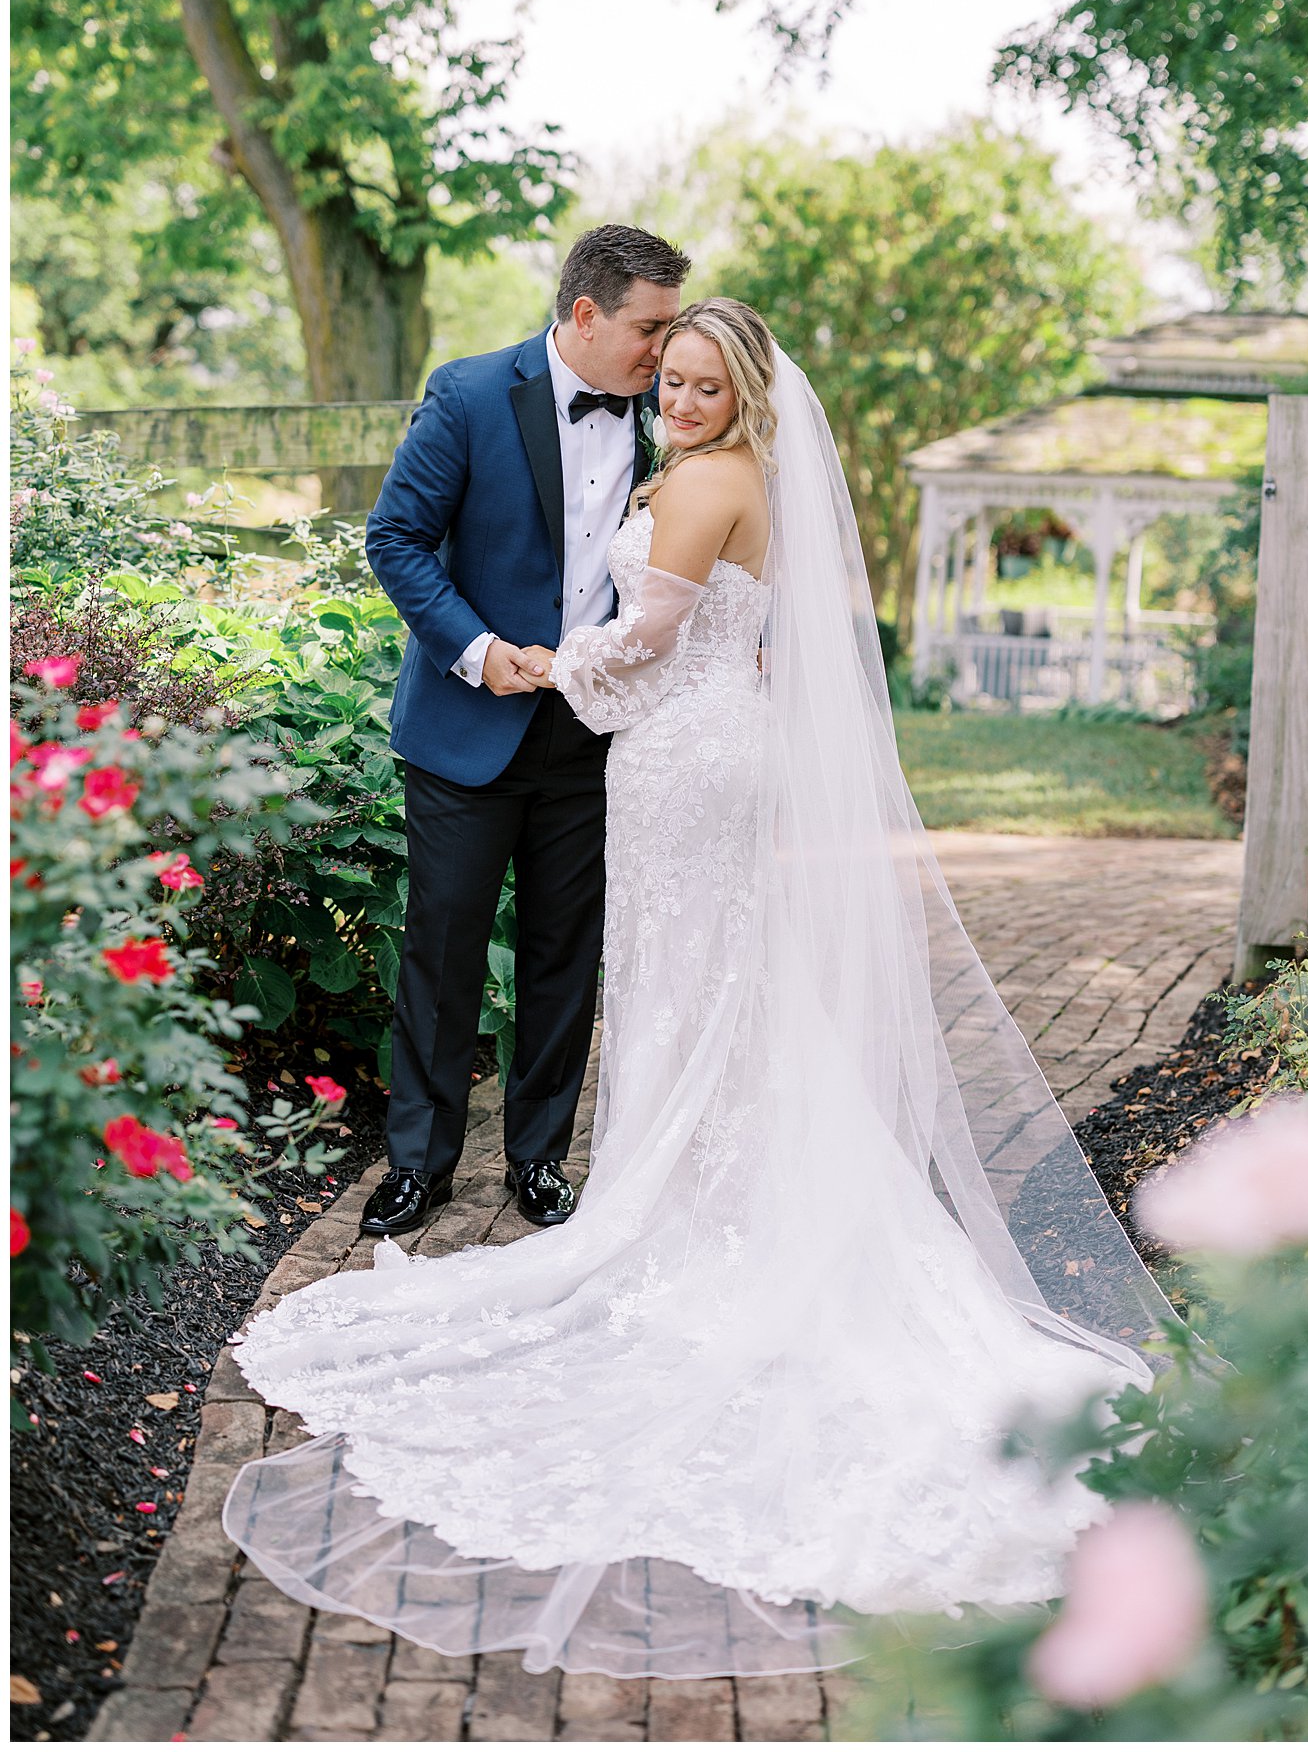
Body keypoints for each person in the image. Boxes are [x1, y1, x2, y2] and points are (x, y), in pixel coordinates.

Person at [225, 300, 1175, 1679]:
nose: (674, 395)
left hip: (681, 754)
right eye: (667, 376)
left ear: (742, 394)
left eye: (701, 380)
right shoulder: (730, 475)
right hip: (708, 754)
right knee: (712, 983)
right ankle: (692, 1188)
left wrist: (556, 667)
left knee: (687, 981)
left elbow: (645, 649)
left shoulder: (710, 482)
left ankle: (679, 1210)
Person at [359, 225, 688, 1235]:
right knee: (444, 947)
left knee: (561, 954)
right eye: (649, 327)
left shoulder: (665, 423)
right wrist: (477, 648)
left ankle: (539, 1157)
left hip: (592, 733)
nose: (665, 354)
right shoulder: (466, 394)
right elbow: (396, 538)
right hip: (468, 726)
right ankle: (418, 1162)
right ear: (584, 313)